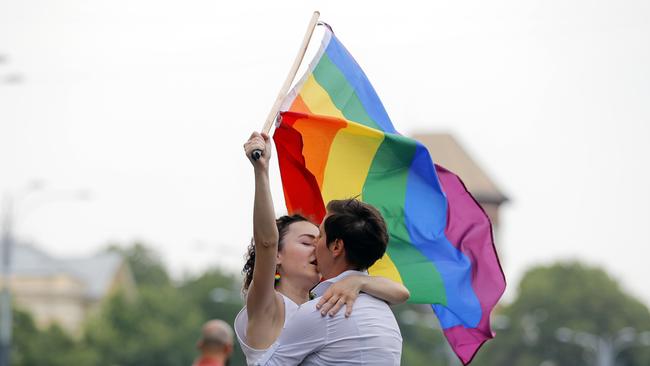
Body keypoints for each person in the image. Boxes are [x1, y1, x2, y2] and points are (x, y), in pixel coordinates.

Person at [236, 132, 409, 366]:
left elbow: (401, 292)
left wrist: (359, 282)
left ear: (336, 247)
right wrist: (261, 171)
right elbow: (266, 242)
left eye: (319, 239)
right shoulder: (269, 304)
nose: (317, 247)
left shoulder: (331, 300)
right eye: (307, 242)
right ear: (277, 254)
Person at [257, 198, 403, 365]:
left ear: (336, 247)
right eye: (306, 242)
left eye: (320, 235)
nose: (314, 245)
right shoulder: (384, 311)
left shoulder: (323, 310)